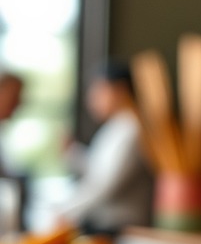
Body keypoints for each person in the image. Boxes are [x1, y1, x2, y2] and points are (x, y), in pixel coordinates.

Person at [55, 61, 151, 233]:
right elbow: (98, 170)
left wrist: (66, 211)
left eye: (99, 91)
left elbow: (104, 185)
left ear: (119, 90)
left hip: (119, 226)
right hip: (104, 223)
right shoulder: (115, 126)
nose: (91, 99)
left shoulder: (131, 128)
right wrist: (72, 153)